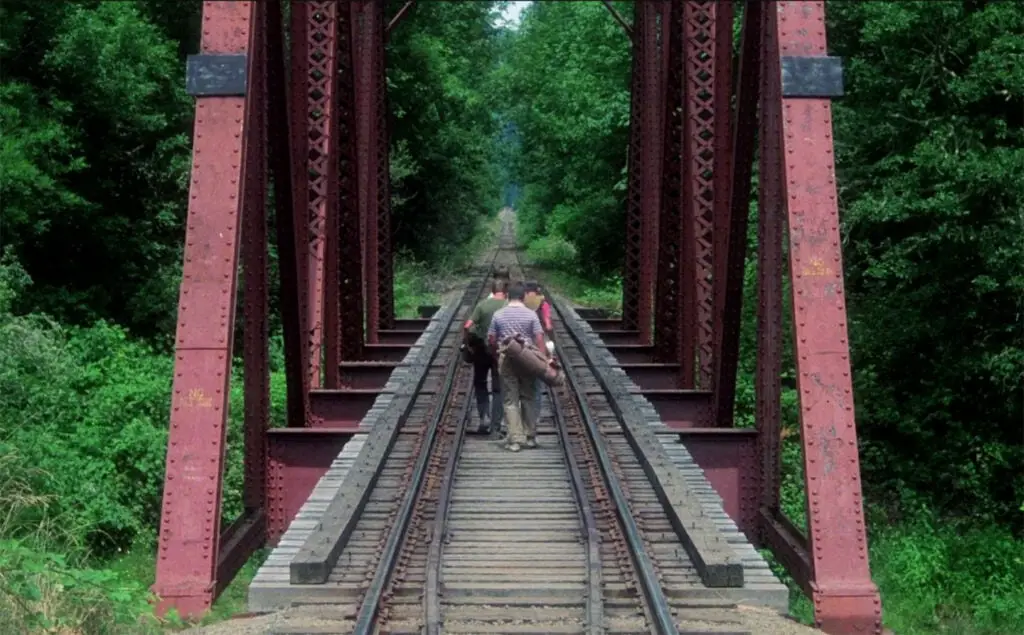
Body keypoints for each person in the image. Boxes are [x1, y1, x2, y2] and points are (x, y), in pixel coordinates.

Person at [487, 282, 549, 452]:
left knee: (510, 400)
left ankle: (514, 440)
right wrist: (542, 359)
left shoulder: (498, 315)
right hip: (527, 358)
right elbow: (538, 337)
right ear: (523, 297)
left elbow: (491, 338)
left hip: (507, 359)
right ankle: (530, 437)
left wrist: (496, 352)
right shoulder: (531, 315)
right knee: (528, 397)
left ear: (507, 297)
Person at [463, 279, 507, 434]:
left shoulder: (482, 305)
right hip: (501, 352)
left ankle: (484, 418)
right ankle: (497, 424)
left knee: (480, 383)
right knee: (498, 388)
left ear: (492, 291)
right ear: (505, 291)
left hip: (482, 350)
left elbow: (467, 326)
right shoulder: (507, 305)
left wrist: (469, 344)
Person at [524, 281, 556, 416]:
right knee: (537, 382)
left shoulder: (521, 302)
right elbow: (548, 326)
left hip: (523, 344)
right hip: (538, 344)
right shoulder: (543, 304)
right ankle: (535, 414)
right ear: (537, 291)